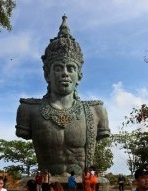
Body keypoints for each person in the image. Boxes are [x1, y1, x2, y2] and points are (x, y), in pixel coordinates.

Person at [15, 15, 110, 177]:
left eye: (70, 68)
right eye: (58, 68)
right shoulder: (28, 110)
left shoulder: (96, 111)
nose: (65, 73)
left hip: (84, 186)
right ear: (47, 74)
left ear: (79, 76)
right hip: (46, 187)